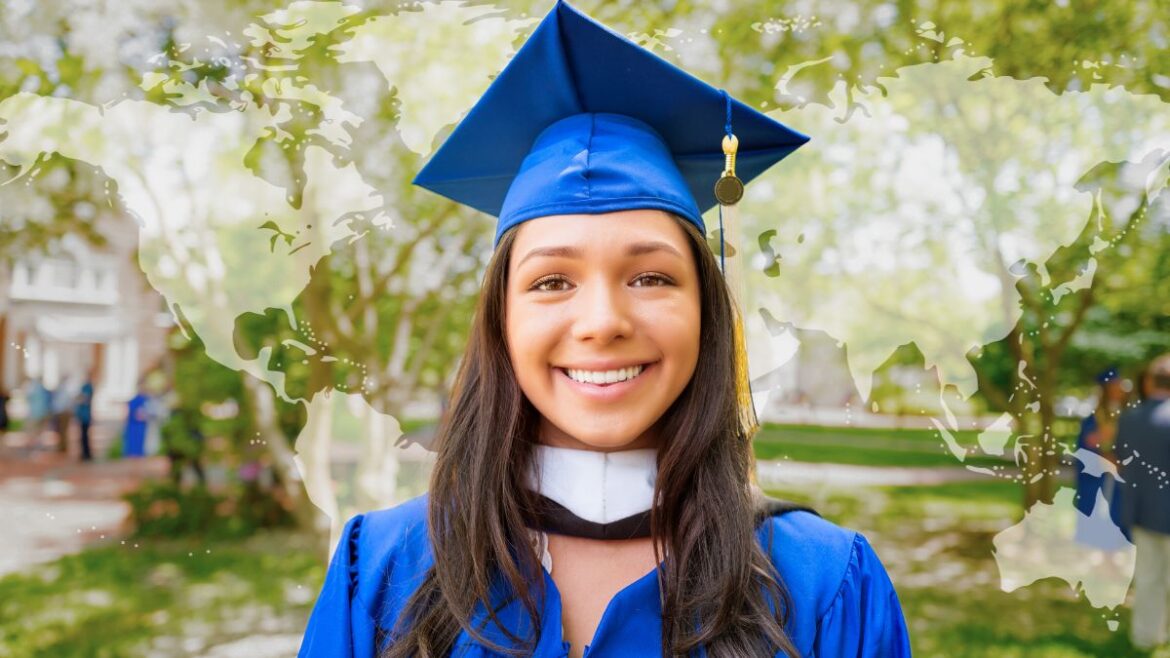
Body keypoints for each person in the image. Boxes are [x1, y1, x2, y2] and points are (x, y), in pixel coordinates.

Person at [298, 2, 910, 657]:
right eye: (551, 282)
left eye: (650, 277)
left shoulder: (825, 584)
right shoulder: (383, 571)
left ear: (707, 314)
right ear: (501, 321)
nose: (602, 324)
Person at [1116, 353, 1170, 651]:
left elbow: (1123, 462)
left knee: (1148, 577)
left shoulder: (1130, 418)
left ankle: (1145, 636)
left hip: (1140, 510)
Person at [1072, 366, 1130, 547]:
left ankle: (1114, 548)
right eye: (1114, 386)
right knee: (1099, 514)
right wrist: (1103, 457)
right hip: (1099, 478)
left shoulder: (1128, 414)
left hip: (1121, 478)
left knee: (1118, 516)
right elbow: (1086, 448)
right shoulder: (1094, 418)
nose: (1119, 390)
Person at [122, 383, 151, 458]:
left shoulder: (146, 399)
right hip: (134, 424)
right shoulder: (135, 400)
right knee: (133, 442)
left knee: (140, 442)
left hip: (140, 425)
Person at [75, 372, 95, 462]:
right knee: (83, 436)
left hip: (85, 416)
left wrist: (80, 398)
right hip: (82, 415)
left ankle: (86, 454)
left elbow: (84, 399)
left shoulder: (88, 387)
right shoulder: (84, 387)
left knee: (85, 436)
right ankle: (85, 453)